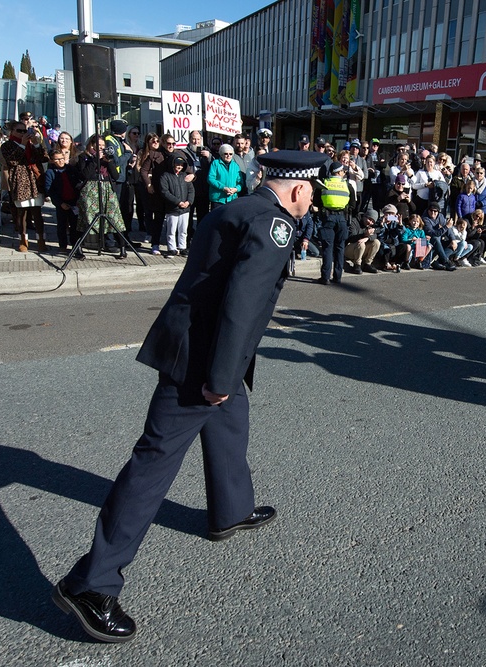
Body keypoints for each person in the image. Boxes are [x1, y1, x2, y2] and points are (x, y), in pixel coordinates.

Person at [52, 150, 329, 644]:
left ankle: (231, 510)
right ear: (296, 189)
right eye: (312, 192)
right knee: (153, 463)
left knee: (230, 424)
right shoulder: (275, 226)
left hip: (199, 344)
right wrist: (220, 377)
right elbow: (242, 305)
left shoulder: (236, 209)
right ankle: (90, 584)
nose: (314, 200)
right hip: (201, 361)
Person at [75, 134, 128, 259]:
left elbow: (115, 176)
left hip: (107, 189)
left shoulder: (107, 158)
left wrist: (108, 161)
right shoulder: (84, 157)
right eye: (98, 145)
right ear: (92, 145)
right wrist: (95, 160)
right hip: (90, 189)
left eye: (103, 146)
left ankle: (122, 247)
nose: (101, 148)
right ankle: (78, 247)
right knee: (87, 219)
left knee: (115, 218)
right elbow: (85, 174)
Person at [0, 120, 47, 252]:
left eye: (24, 131)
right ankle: (23, 240)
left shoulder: (32, 145)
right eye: (19, 131)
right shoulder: (7, 145)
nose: (22, 134)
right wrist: (22, 145)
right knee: (22, 212)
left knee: (37, 211)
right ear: (12, 132)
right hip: (20, 179)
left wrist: (37, 144)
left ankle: (41, 239)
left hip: (35, 179)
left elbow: (44, 158)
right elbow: (12, 161)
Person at [316, 161, 353, 285]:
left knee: (327, 248)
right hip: (342, 218)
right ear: (338, 172)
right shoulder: (347, 185)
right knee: (339, 247)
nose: (344, 173)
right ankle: (338, 277)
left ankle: (325, 277)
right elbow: (353, 203)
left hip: (328, 218)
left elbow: (316, 201)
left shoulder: (324, 183)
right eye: (343, 171)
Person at [43, 149, 81, 255]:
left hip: (73, 201)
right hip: (61, 202)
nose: (60, 161)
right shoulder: (50, 172)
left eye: (62, 158)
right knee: (62, 225)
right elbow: (49, 190)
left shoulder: (71, 169)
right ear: (52, 160)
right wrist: (59, 203)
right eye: (57, 159)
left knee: (74, 225)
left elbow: (78, 183)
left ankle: (75, 245)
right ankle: (63, 245)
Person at [159, 155, 195, 257]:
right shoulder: (165, 176)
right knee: (171, 230)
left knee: (183, 230)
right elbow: (165, 192)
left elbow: (191, 190)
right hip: (172, 208)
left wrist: (189, 202)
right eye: (177, 164)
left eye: (181, 164)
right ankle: (172, 248)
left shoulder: (185, 176)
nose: (179, 166)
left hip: (185, 209)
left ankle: (182, 247)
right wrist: (178, 202)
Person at [345, 206, 381, 273]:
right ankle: (357, 265)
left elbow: (376, 233)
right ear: (365, 216)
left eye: (373, 221)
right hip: (349, 249)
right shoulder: (354, 221)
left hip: (361, 249)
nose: (370, 223)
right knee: (361, 244)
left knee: (376, 242)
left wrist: (367, 238)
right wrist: (364, 234)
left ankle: (368, 264)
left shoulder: (370, 226)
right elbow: (351, 238)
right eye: (369, 219)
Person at [207, 143, 242, 209]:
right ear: (221, 154)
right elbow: (210, 179)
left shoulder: (236, 166)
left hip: (232, 199)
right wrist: (223, 188)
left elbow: (240, 182)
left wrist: (236, 189)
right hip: (218, 199)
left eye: (230, 154)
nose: (228, 156)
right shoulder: (215, 163)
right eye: (226, 153)